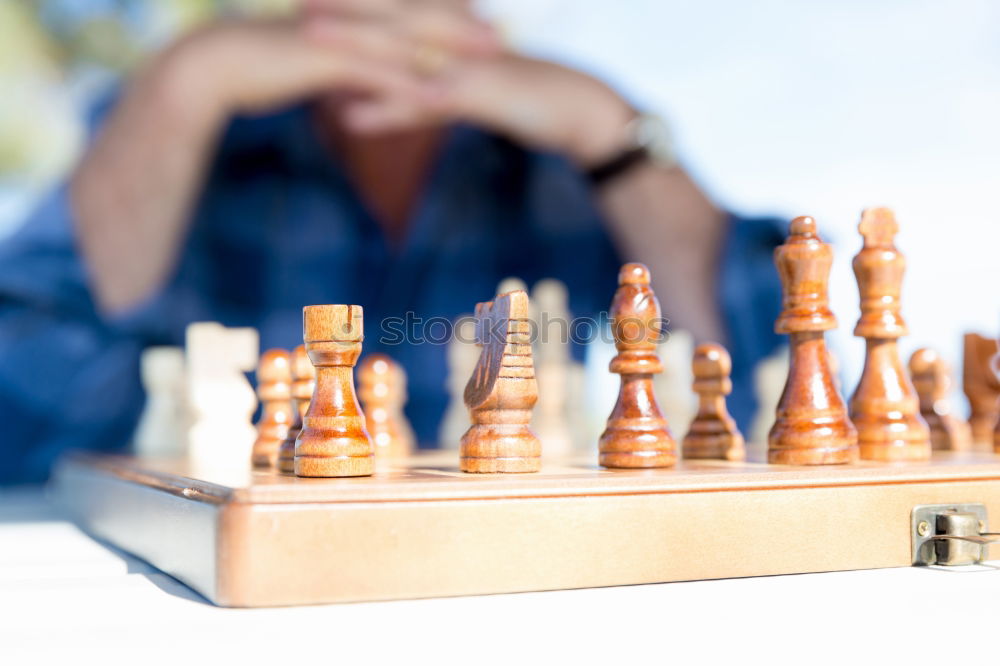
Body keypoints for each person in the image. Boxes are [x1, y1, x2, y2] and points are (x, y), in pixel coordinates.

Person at [0, 0, 783, 483]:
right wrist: (180, 83)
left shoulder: (563, 166)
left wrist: (612, 133)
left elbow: (758, 403)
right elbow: (23, 429)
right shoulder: (181, 138)